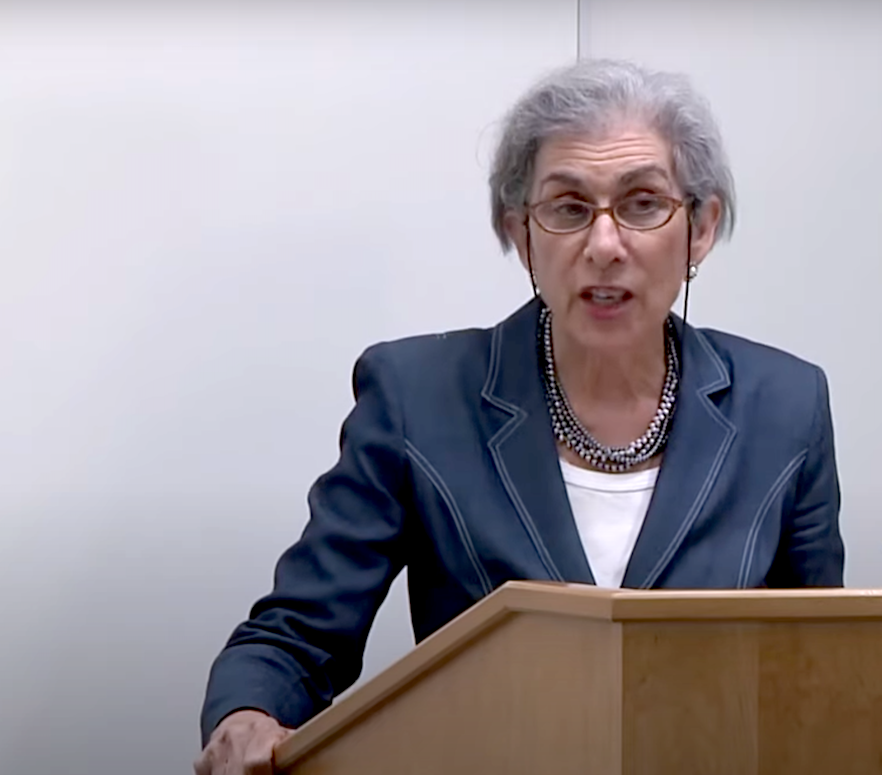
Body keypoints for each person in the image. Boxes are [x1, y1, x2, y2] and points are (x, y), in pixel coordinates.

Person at [194, 58, 844, 775]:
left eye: (641, 204)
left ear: (700, 228)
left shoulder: (785, 406)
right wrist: (246, 715)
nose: (604, 244)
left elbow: (816, 668)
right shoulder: (417, 396)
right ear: (521, 233)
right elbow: (294, 639)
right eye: (568, 208)